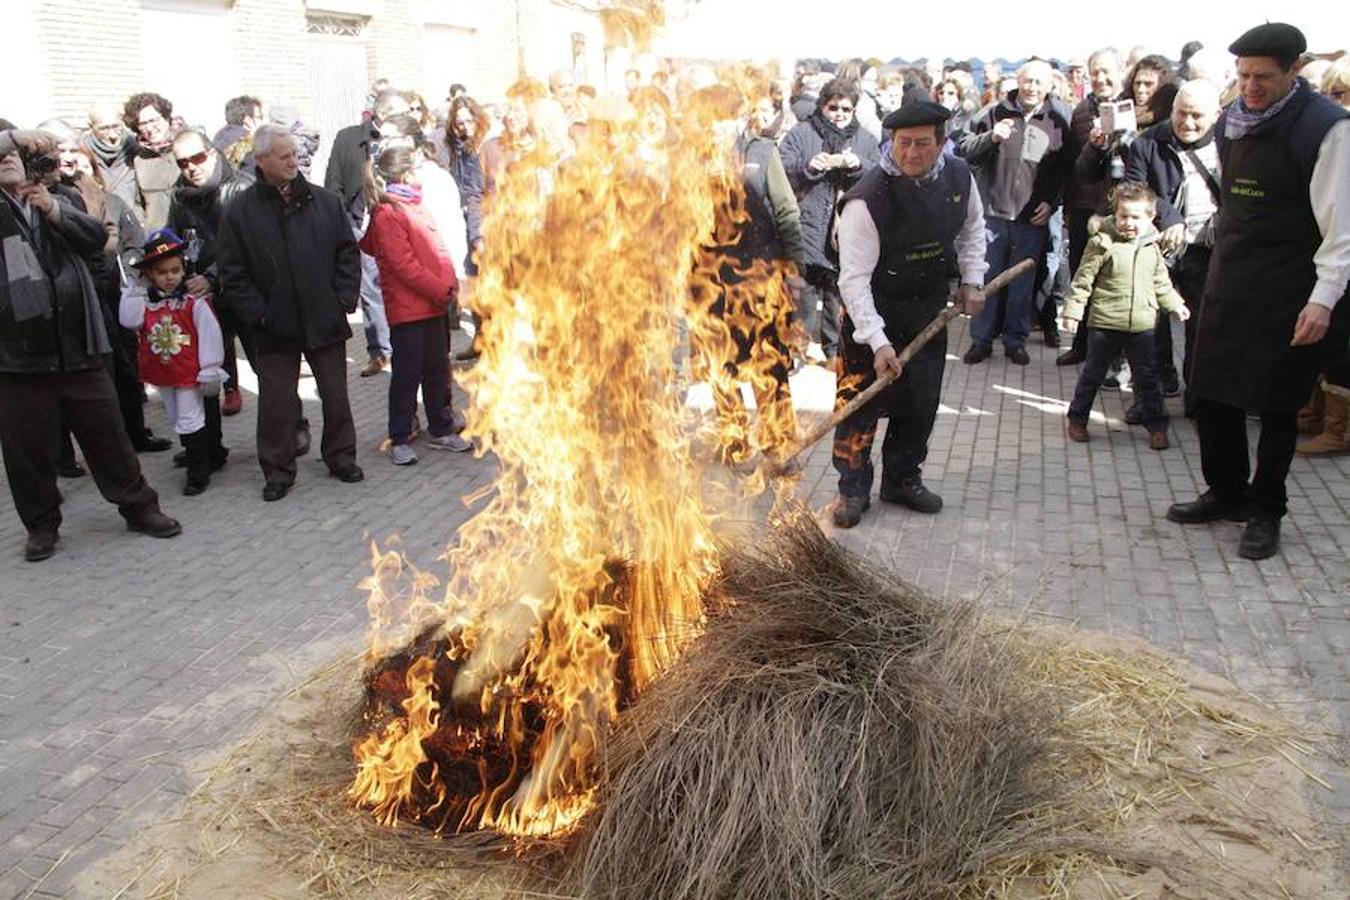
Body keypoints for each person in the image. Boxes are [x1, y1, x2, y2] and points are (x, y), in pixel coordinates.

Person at [1166, 23, 1350, 560]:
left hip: (1291, 284)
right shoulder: (1231, 121)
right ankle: (1226, 492)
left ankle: (1266, 508)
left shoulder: (1328, 130)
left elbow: (1341, 230)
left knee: (1276, 404)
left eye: (1264, 77)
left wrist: (1323, 299)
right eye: (1244, 76)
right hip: (1231, 274)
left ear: (1295, 70)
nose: (1251, 86)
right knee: (1212, 390)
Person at [0, 128, 181, 561]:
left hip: (78, 345)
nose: (6, 160)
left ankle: (140, 508)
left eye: (13, 155)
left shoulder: (60, 198)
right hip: (18, 356)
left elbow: (95, 240)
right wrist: (12, 135)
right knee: (27, 452)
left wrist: (51, 210)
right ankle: (41, 526)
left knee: (109, 437)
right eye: (0, 156)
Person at [831, 102, 987, 527]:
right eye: (903, 143)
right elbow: (853, 281)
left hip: (926, 310)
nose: (912, 153)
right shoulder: (867, 199)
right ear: (890, 143)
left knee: (920, 404)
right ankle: (853, 488)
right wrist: (878, 342)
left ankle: (901, 479)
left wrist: (972, 280)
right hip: (871, 315)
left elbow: (973, 230)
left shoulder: (959, 177)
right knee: (858, 407)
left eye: (922, 143)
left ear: (941, 144)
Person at [217, 125, 364, 501]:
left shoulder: (325, 202)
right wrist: (259, 315)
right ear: (261, 161)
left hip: (324, 318)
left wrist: (343, 299)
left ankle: (341, 456)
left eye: (293, 154)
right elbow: (233, 273)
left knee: (335, 396)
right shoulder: (240, 212)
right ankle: (278, 471)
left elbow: (347, 253)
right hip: (273, 327)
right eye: (283, 156)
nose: (292, 161)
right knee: (276, 404)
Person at [691, 83, 805, 468]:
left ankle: (779, 445)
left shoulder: (762, 152)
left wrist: (796, 271)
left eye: (721, 119)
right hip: (708, 284)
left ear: (738, 119)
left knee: (768, 364)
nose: (714, 129)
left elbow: (787, 212)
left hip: (760, 279)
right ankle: (734, 440)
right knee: (719, 366)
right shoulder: (687, 164)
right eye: (707, 121)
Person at [359, 146, 470, 464]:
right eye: (419, 165)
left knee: (437, 369)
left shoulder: (412, 204)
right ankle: (400, 436)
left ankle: (441, 426)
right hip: (410, 311)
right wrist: (440, 289)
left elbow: (435, 251)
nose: (424, 171)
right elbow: (403, 265)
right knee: (407, 375)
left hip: (433, 305)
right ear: (406, 172)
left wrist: (449, 285)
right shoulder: (388, 213)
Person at [960, 60, 1072, 365]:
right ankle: (981, 340)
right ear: (1018, 82)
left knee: (1022, 285)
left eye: (1039, 82)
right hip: (993, 212)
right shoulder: (993, 112)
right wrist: (991, 138)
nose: (1032, 88)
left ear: (1049, 85)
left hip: (1032, 216)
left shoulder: (1060, 119)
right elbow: (964, 149)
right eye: (1028, 81)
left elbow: (1065, 169)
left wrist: (1052, 202)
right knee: (986, 279)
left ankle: (1015, 341)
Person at [1061, 183, 1189, 448]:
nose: (1128, 223)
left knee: (1147, 378)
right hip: (1105, 322)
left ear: (1150, 217)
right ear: (1114, 215)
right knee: (1092, 374)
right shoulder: (1102, 243)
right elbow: (1083, 280)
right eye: (1123, 216)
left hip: (1142, 324)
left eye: (1135, 217)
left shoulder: (1152, 246)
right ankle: (1077, 418)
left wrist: (1176, 304)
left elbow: (1161, 282)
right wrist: (1073, 312)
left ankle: (1156, 425)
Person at [1122, 79, 1222, 411]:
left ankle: (1199, 392)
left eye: (1197, 115)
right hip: (1156, 248)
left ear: (1216, 114)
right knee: (1148, 325)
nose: (1188, 123)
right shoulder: (1147, 142)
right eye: (1182, 113)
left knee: (1201, 327)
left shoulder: (1229, 144)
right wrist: (1168, 219)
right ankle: (1149, 395)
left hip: (1207, 250)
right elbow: (1135, 189)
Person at [778, 77, 880, 364]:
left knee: (839, 294)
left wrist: (857, 164)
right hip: (807, 225)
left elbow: (879, 175)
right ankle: (797, 351)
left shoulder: (864, 139)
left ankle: (834, 352)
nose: (839, 114)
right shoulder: (802, 133)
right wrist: (808, 166)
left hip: (845, 230)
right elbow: (782, 167)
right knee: (804, 297)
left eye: (846, 109)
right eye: (833, 107)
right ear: (822, 106)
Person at [119, 229, 227, 494]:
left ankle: (198, 471)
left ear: (183, 269)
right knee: (176, 415)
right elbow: (129, 321)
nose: (169, 277)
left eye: (175, 270)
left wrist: (210, 368)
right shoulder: (147, 303)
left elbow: (209, 334)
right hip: (163, 372)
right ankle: (198, 451)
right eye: (162, 272)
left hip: (189, 371)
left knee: (190, 417)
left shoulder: (194, 303)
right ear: (150, 275)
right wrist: (134, 291)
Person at [167, 128, 255, 420]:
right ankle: (208, 444)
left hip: (244, 287)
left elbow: (249, 246)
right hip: (202, 288)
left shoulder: (241, 190)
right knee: (209, 359)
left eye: (197, 157)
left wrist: (214, 277)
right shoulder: (179, 196)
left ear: (213, 153)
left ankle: (294, 425)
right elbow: (174, 239)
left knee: (266, 363)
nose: (191, 167)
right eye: (182, 162)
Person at [325, 89, 412, 377]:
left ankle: (406, 348)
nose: (408, 117)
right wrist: (344, 227)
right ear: (383, 113)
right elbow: (333, 184)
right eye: (402, 112)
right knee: (371, 290)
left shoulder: (406, 140)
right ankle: (380, 352)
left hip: (399, 221)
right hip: (361, 225)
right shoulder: (348, 138)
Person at [1058, 47, 1124, 366]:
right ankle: (1081, 345)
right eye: (1094, 72)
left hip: (1121, 210)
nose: (1100, 78)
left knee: (1114, 282)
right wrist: (1069, 208)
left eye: (1106, 71)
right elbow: (1073, 161)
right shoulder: (1081, 110)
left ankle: (1113, 356)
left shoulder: (1131, 107)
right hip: (1084, 207)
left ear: (1121, 70)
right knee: (1081, 278)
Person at [123, 92, 178, 230]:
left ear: (166, 118)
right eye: (143, 123)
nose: (149, 128)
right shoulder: (139, 160)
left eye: (154, 120)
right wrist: (143, 225)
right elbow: (137, 203)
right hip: (158, 239)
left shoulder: (186, 148)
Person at [85, 102, 139, 212]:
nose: (113, 135)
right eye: (104, 129)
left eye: (116, 126)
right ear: (91, 126)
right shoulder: (83, 155)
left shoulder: (137, 151)